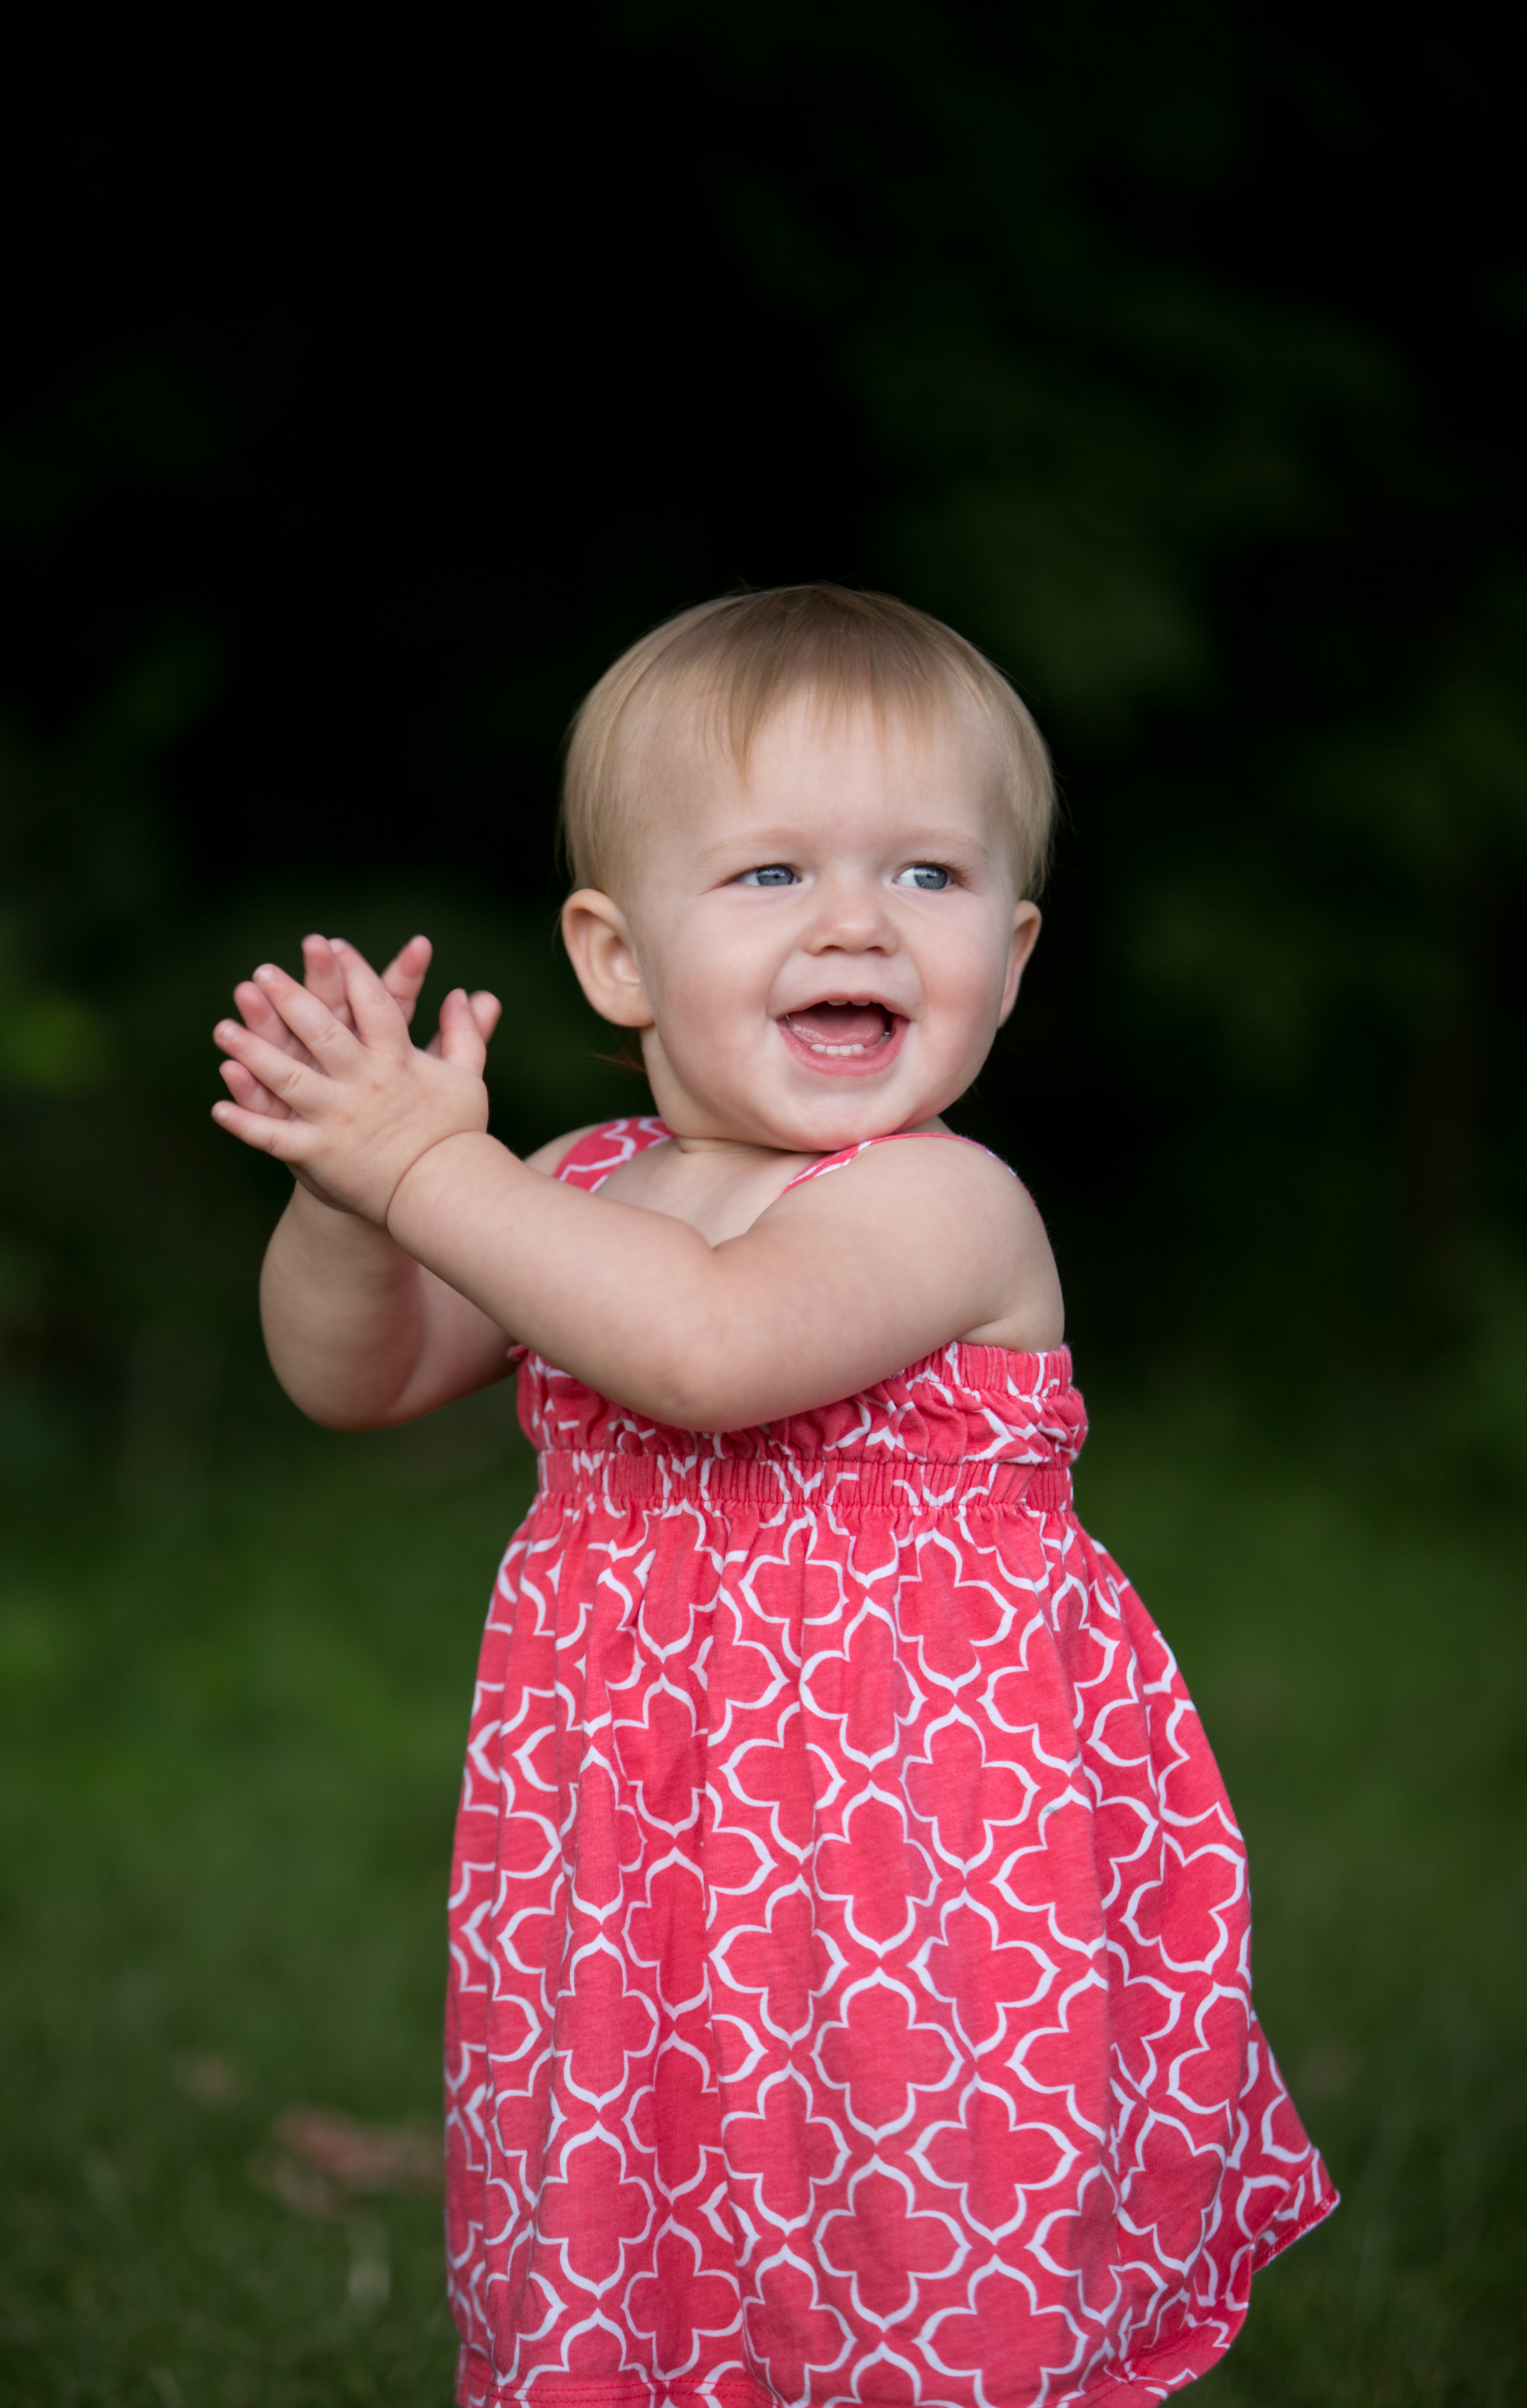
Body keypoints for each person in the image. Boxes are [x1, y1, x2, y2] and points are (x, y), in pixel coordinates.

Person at [212, 587, 1334, 2407]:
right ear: (616, 954)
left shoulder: (944, 1203)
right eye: (766, 878)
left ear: (1016, 952)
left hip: (922, 1869)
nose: (853, 924)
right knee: (652, 2211)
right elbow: (357, 1375)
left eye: (926, 879)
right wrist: (351, 1197)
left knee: (908, 2225)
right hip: (637, 1859)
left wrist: (433, 1171)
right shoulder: (583, 1180)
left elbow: (708, 1354)